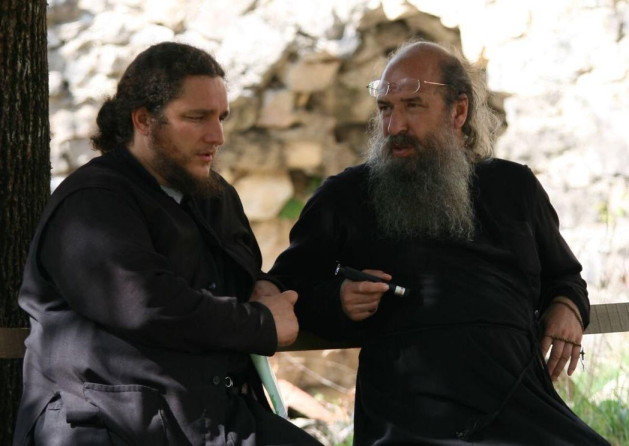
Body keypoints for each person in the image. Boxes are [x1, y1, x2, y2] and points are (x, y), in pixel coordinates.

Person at [270, 40, 610, 445]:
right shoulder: (343, 198)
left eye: (413, 106)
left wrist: (567, 307)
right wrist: (337, 301)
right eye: (386, 109)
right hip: (409, 420)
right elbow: (284, 289)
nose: (394, 126)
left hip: (519, 406)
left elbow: (565, 277)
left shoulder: (514, 187)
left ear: (458, 111)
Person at [14, 42, 321, 446]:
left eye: (221, 117)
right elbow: (144, 304)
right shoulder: (92, 201)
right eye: (197, 117)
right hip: (107, 422)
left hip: (210, 418)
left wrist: (265, 287)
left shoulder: (214, 196)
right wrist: (259, 323)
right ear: (144, 120)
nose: (217, 135)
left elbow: (230, 280)